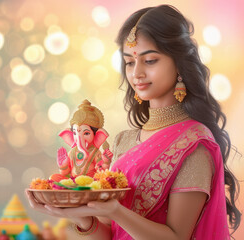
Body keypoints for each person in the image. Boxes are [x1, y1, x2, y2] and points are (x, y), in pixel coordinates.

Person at [26, 4, 241, 239]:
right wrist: (78, 215)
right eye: (129, 62)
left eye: (150, 61)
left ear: (179, 64)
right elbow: (111, 235)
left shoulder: (193, 144)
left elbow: (177, 237)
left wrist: (116, 211)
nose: (136, 73)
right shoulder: (124, 141)